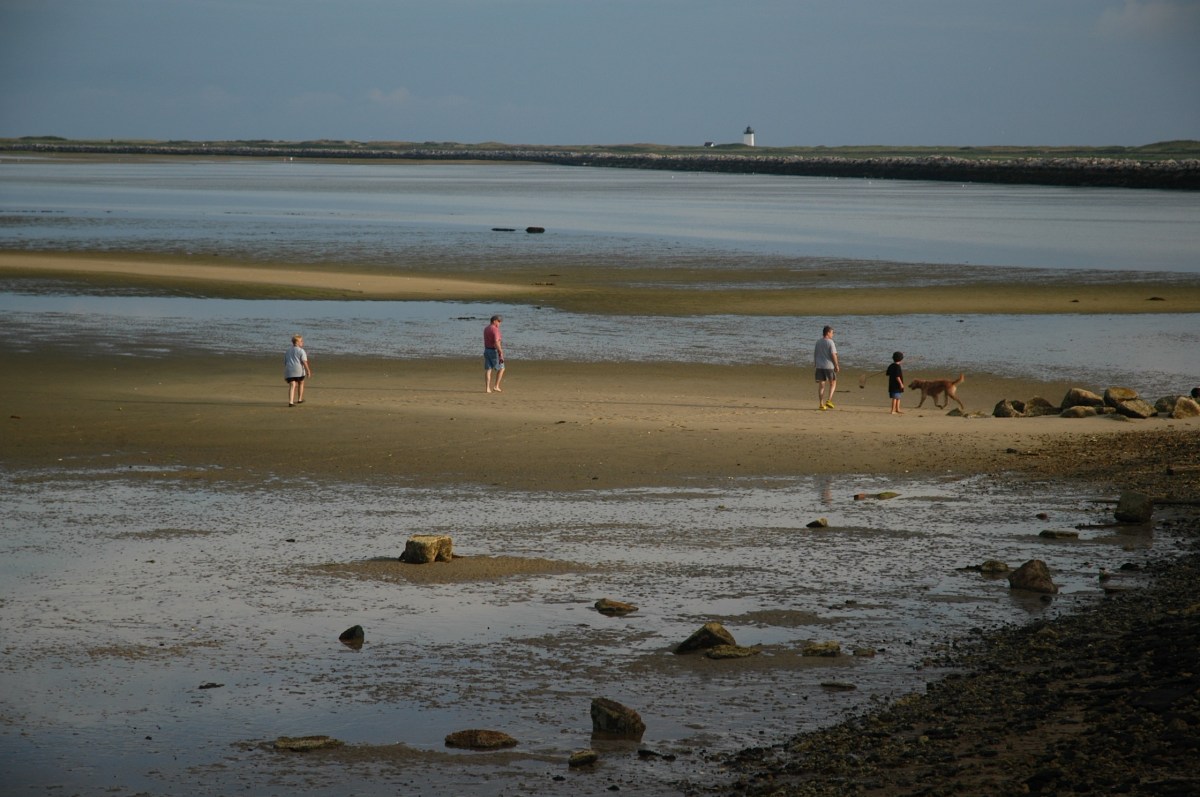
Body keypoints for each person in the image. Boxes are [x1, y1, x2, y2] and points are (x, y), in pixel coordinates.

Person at [814, 325, 840, 410]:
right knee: (833, 382)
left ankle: (821, 404)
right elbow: (833, 354)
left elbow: (815, 354)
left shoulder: (818, 342)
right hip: (829, 366)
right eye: (832, 333)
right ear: (828, 333)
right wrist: (836, 365)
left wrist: (815, 363)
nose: (833, 334)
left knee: (822, 385)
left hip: (820, 366)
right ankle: (829, 400)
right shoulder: (830, 342)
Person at [284, 334, 311, 407]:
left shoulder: (288, 351)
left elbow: (285, 361)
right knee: (301, 383)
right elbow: (304, 361)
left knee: (292, 385)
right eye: (301, 341)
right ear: (296, 342)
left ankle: (291, 402)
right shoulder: (301, 351)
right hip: (298, 370)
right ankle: (299, 399)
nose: (302, 342)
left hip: (289, 370)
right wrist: (308, 370)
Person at [484, 315, 505, 393]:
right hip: (494, 351)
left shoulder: (486, 328)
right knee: (502, 368)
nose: (499, 323)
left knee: (488, 369)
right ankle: (496, 386)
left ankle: (487, 388)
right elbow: (496, 342)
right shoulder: (495, 329)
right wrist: (500, 351)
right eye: (499, 321)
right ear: (494, 321)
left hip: (487, 350)